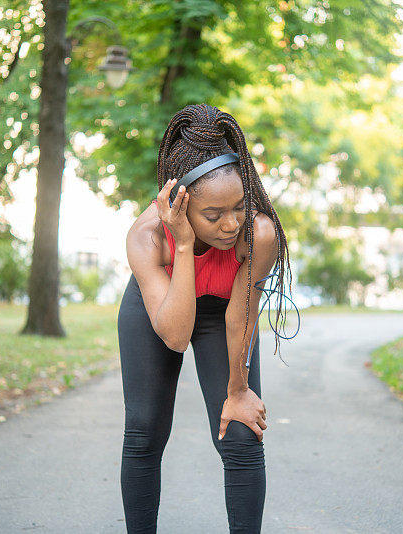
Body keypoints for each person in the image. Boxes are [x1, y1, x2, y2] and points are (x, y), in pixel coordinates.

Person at [117, 103, 295, 533]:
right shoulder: (148, 239)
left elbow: (241, 316)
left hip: (223, 312)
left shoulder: (260, 231)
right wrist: (181, 247)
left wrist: (238, 390)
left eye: (239, 205)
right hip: (160, 308)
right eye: (213, 216)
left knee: (241, 432)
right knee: (144, 432)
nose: (231, 224)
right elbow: (176, 336)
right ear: (180, 204)